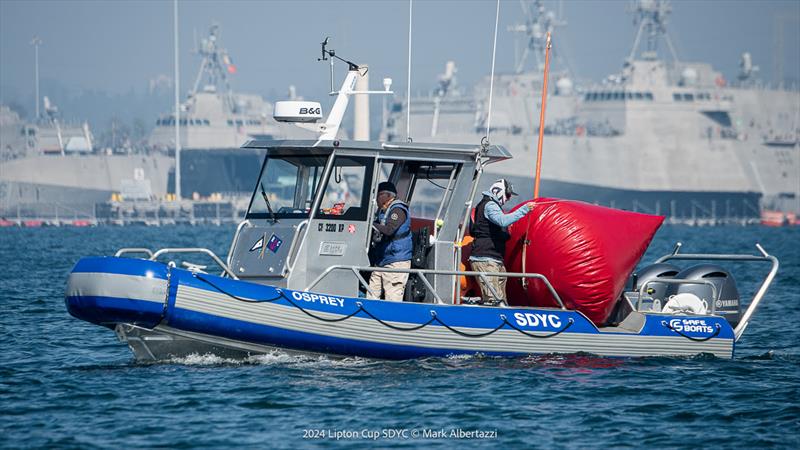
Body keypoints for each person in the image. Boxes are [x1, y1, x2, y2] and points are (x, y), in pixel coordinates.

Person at [469, 179, 535, 305]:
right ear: (499, 192)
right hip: (486, 260)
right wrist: (524, 209)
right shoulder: (490, 205)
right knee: (494, 301)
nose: (509, 199)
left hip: (494, 260)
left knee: (501, 301)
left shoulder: (491, 206)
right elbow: (503, 221)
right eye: (508, 195)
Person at [368, 181, 412, 301]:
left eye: (378, 195)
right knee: (372, 290)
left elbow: (389, 230)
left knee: (392, 296)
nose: (376, 199)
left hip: (396, 261)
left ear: (386, 196)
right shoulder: (383, 211)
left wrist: (371, 224)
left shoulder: (398, 210)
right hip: (382, 259)